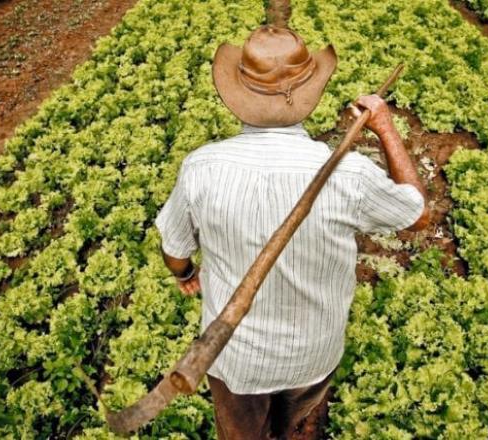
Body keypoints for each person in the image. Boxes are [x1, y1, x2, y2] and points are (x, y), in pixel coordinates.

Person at [154, 24, 430, 440]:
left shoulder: (201, 168)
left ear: (237, 95)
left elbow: (174, 250)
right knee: (298, 422)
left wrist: (185, 274)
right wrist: (386, 129)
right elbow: (417, 214)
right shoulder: (349, 173)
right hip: (312, 356)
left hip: (235, 362)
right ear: (310, 94)